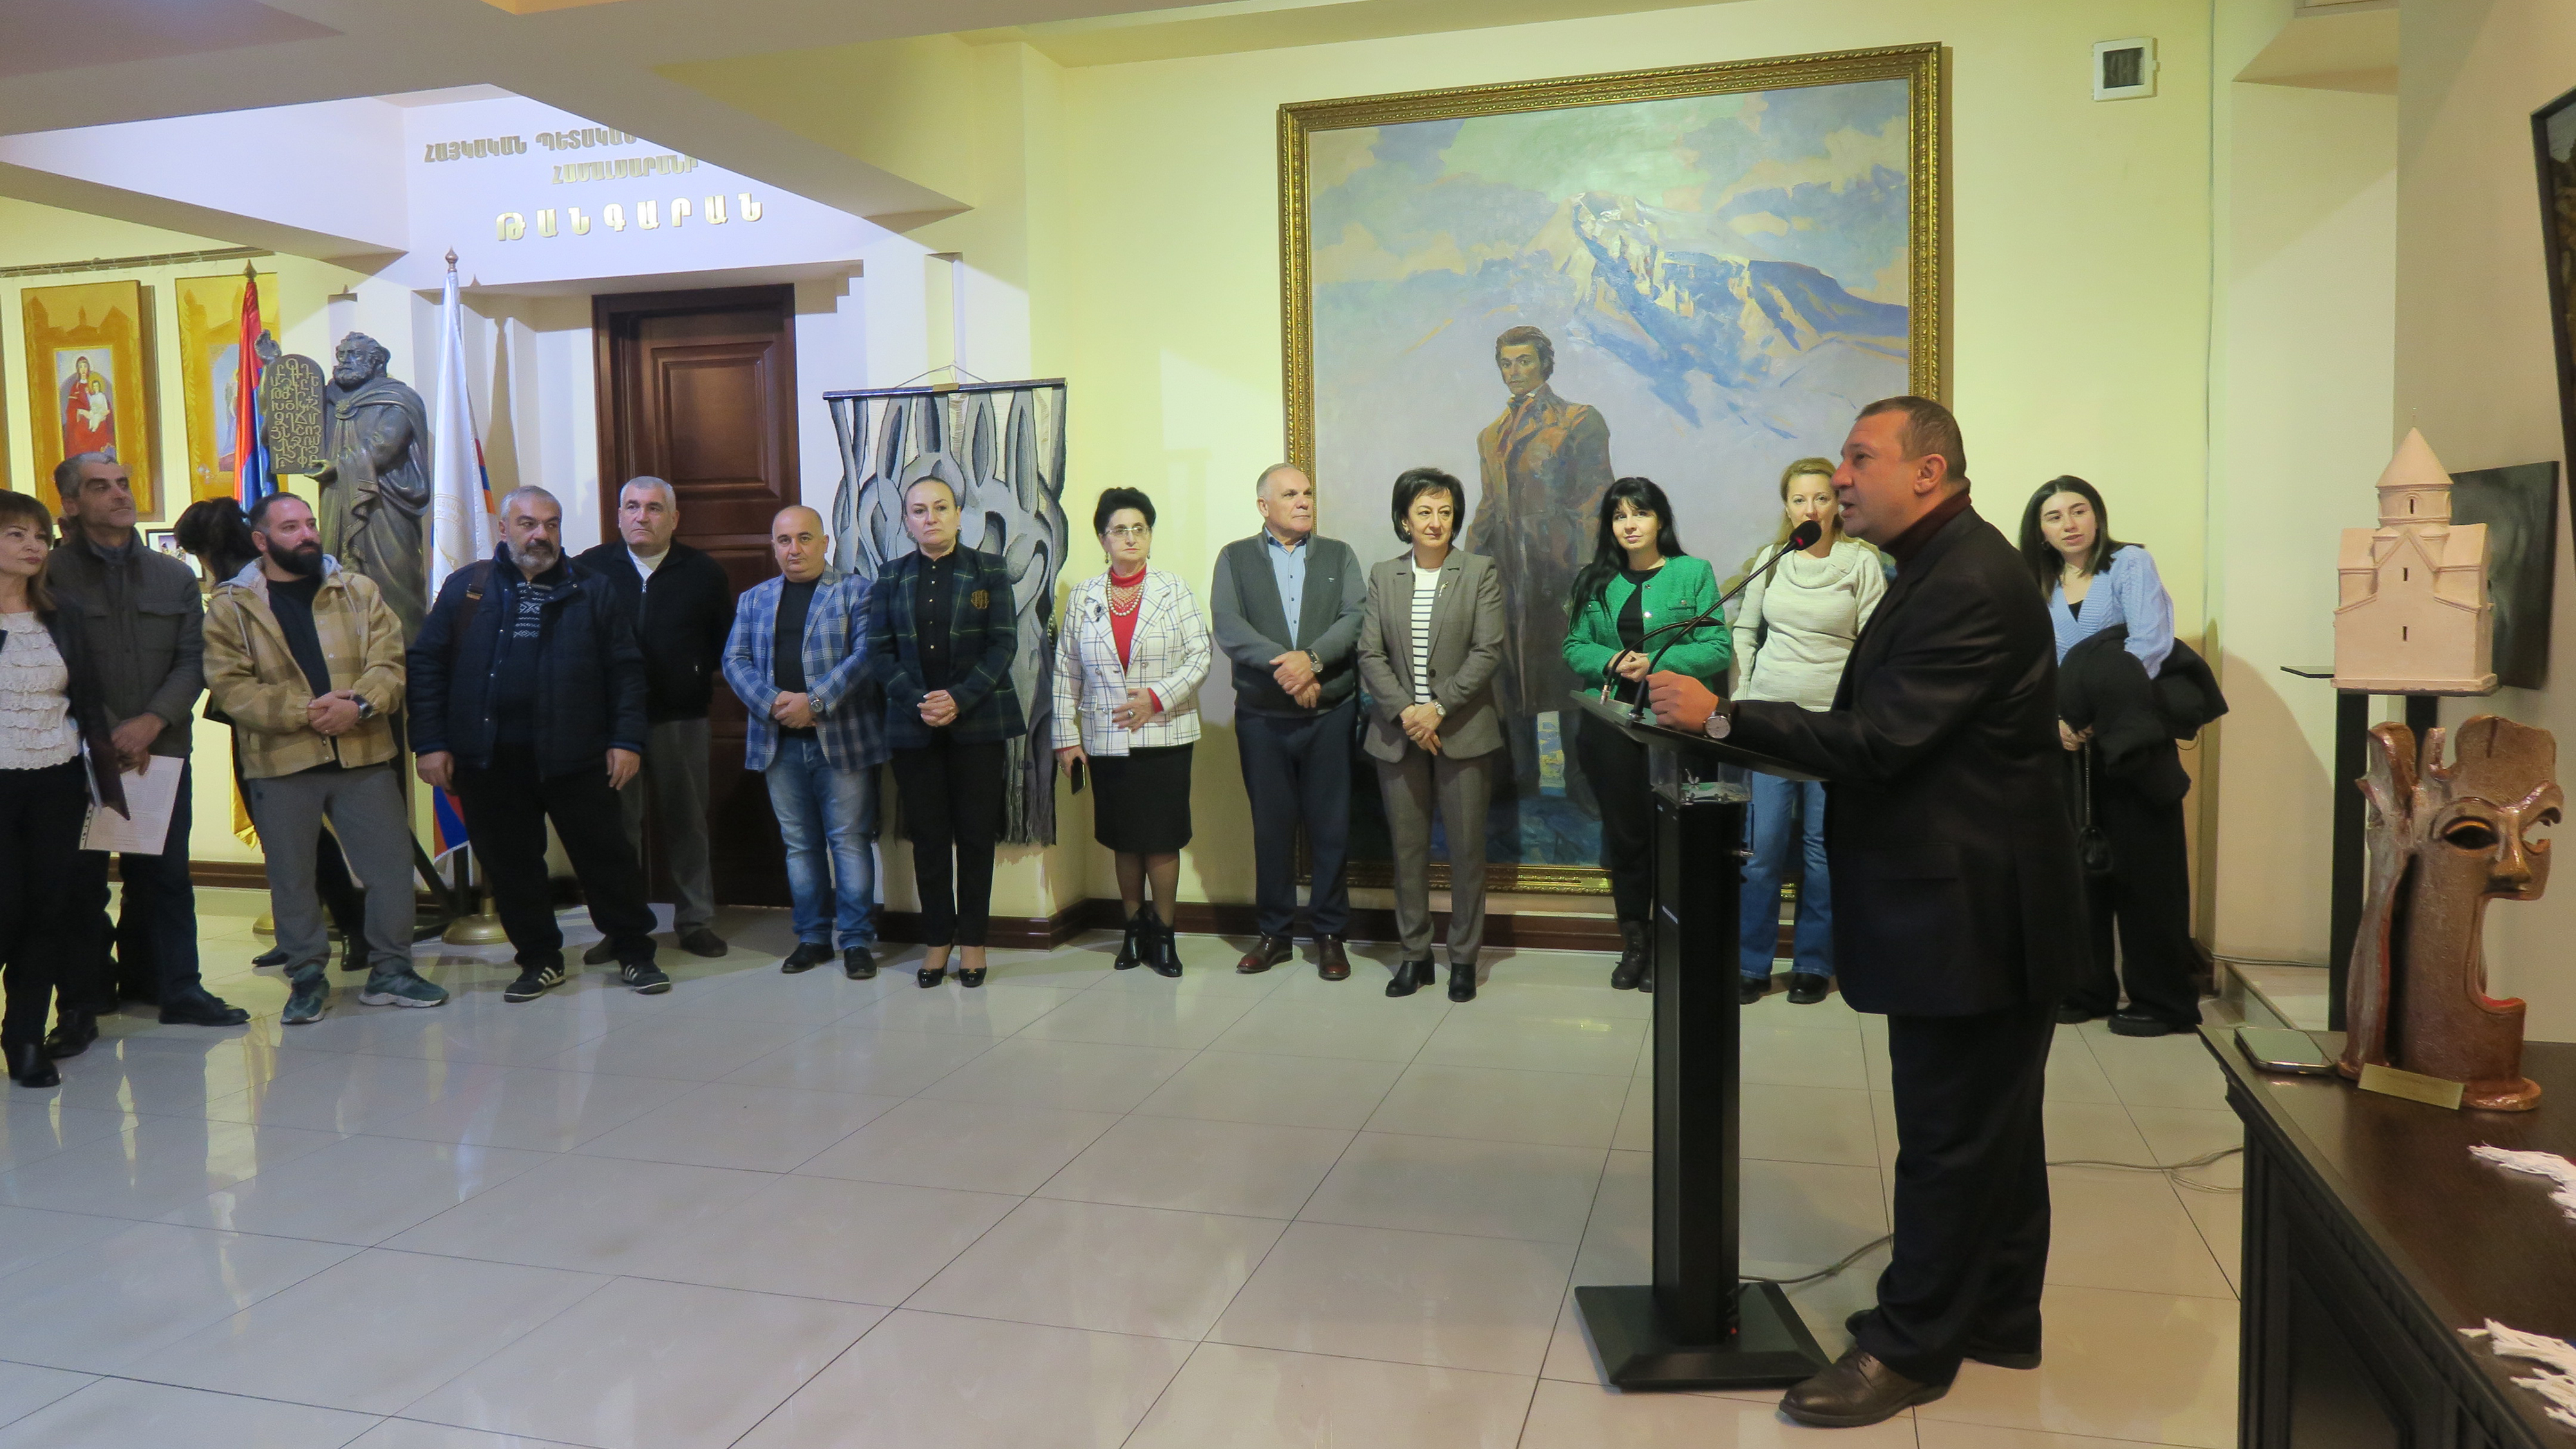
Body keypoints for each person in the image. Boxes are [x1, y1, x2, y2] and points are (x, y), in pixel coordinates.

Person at [1647, 397, 2082, 1428]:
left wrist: (1723, 718)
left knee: (1948, 1133)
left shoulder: (1965, 581)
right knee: (1993, 1128)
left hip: (1973, 913)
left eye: (1859, 457)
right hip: (1975, 900)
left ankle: (1909, 1346)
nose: (1839, 476)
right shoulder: (1934, 564)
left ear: (1928, 471)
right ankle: (1998, 1315)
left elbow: (1881, 740)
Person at [408, 485, 666, 1001]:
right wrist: (430, 742)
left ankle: (634, 953)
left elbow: (625, 670)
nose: (540, 535)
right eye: (528, 524)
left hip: (578, 755)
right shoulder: (468, 588)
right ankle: (540, 959)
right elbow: (426, 664)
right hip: (490, 759)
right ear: (504, 529)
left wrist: (626, 740)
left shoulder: (592, 589)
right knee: (512, 868)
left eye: (551, 524)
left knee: (607, 861)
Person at [204, 493, 446, 1024]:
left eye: (310, 523)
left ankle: (392, 971)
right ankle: (307, 978)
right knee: (293, 879)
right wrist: (307, 712)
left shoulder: (357, 591)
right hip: (282, 762)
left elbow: (390, 663)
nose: (308, 534)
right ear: (262, 541)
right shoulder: (231, 607)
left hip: (362, 753)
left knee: (389, 870)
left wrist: (358, 705)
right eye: (291, 527)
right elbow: (230, 687)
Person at [46, 453, 248, 1050]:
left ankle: (175, 987)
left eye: (123, 484)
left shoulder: (173, 576)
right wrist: (109, 730)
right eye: (100, 487)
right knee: (81, 884)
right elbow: (54, 663)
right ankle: (85, 1000)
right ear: (71, 504)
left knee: (164, 877)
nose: (119, 495)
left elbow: (193, 660)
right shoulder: (48, 576)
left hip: (160, 750)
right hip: (78, 753)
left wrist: (152, 721)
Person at [2022, 475, 2201, 1037]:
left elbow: (2149, 643)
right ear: (2041, 531)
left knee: (2148, 873)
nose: (2069, 524)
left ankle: (2165, 1001)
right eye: (2055, 516)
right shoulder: (2036, 581)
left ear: (2097, 515)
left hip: (2130, 735)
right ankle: (2086, 987)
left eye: (2079, 510)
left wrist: (2096, 712)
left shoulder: (2129, 564)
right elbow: (2030, 661)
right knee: (2077, 872)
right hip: (2067, 744)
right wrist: (2055, 722)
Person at [177, 498, 369, 975]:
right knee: (292, 839)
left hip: (280, 722)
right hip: (273, 718)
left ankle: (350, 928)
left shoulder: (243, 589)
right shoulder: (255, 577)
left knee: (296, 838)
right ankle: (306, 931)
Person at [1726, 458, 1888, 1006]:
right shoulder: (1773, 559)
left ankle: (1814, 963)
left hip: (1833, 727)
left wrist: (1860, 712)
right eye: (1800, 500)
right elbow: (1745, 629)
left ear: (1837, 504)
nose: (1811, 509)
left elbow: (1875, 644)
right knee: (1763, 850)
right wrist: (1746, 691)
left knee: (1822, 853)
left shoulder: (1861, 561)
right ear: (1788, 507)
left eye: (1821, 498)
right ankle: (1751, 964)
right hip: (1771, 724)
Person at [1561, 477, 1729, 993]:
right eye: (1619, 516)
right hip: (1612, 726)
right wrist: (1612, 660)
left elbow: (1717, 647)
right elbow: (1574, 646)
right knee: (1628, 838)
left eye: (1641, 513)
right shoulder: (1593, 580)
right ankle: (1636, 944)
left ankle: (1673, 947)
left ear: (1661, 520)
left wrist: (1654, 661)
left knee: (1675, 838)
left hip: (1675, 726)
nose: (1630, 525)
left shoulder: (1692, 573)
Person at [1208, 464, 1365, 978]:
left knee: (1331, 829)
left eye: (1308, 493)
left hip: (1330, 715)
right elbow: (1229, 625)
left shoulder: (1339, 555)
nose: (1303, 501)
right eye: (1291, 494)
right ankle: (1274, 934)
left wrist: (1312, 661)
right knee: (1271, 830)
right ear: (1264, 506)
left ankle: (1330, 936)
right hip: (1263, 720)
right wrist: (1292, 669)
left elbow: (1355, 617)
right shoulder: (1235, 558)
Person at [867, 473, 1023, 990]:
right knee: (929, 839)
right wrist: (920, 701)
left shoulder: (989, 571)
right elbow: (879, 652)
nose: (930, 518)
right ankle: (938, 941)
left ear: (959, 515)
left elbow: (1003, 645)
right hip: (914, 727)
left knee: (976, 837)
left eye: (940, 508)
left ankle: (974, 942)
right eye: (919, 510)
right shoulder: (890, 577)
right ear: (907, 521)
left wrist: (959, 698)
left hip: (978, 723)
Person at [1358, 467, 1506, 1003]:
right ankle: (1415, 956)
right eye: (1424, 511)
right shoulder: (1385, 575)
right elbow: (1370, 653)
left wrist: (1437, 708)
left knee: (1466, 852)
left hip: (1462, 730)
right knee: (1408, 852)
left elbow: (1488, 650)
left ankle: (1463, 958)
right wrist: (1407, 713)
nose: (1436, 522)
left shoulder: (1479, 571)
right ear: (1405, 520)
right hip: (1400, 736)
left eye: (1445, 512)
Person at [574, 477, 737, 962]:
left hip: (680, 719)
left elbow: (722, 644)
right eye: (631, 507)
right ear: (619, 515)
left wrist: (688, 676)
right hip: (610, 726)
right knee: (617, 831)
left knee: (688, 824)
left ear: (673, 518)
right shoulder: (588, 569)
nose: (641, 517)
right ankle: (620, 927)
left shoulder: (703, 572)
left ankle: (695, 922)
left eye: (653, 508)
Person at [1052, 488, 1211, 980]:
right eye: (1119, 530)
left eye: (1139, 528)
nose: (1130, 537)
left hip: (1166, 733)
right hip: (1107, 738)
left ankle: (1165, 935)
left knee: (1161, 840)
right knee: (1124, 840)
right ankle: (1133, 930)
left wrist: (1156, 698)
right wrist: (1066, 738)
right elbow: (1066, 670)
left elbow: (1200, 655)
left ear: (1150, 535)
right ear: (1103, 539)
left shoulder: (1173, 589)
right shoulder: (1084, 597)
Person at [724, 506, 884, 980]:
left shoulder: (857, 591)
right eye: (784, 540)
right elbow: (734, 660)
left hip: (842, 740)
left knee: (849, 842)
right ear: (774, 546)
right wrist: (775, 703)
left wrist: (814, 702)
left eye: (805, 538)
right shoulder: (754, 599)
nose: (794, 549)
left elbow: (867, 656)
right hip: (779, 743)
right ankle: (812, 938)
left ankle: (856, 941)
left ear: (824, 542)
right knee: (799, 846)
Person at [0, 491, 124, 1088]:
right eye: (16, 534)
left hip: (57, 777)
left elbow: (87, 699)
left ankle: (24, 1036)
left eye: (40, 537)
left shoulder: (61, 613)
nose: (33, 546)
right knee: (7, 909)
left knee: (49, 908)